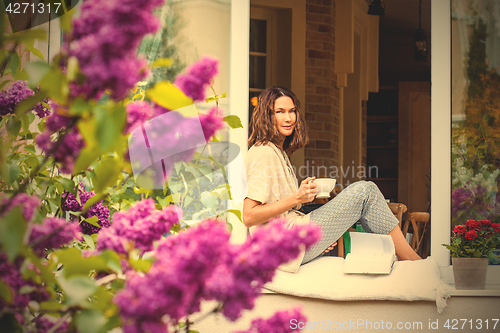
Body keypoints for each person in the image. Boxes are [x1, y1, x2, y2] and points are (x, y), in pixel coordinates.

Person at [243, 86, 421, 273]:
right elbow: (249, 216)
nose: (288, 118)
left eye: (292, 111)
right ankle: (413, 262)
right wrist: (297, 198)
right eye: (279, 112)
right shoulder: (263, 152)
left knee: (365, 195)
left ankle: (403, 259)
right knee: (365, 192)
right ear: (267, 116)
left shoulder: (277, 151)